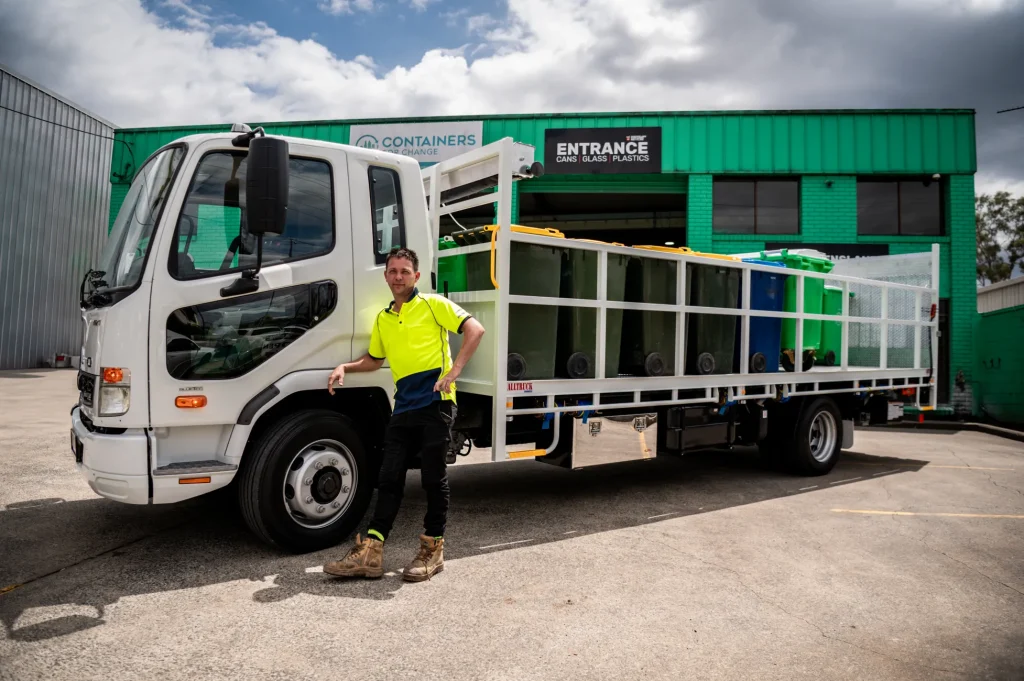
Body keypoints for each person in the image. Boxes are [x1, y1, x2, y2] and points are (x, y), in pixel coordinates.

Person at [323, 246, 485, 582]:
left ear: (416, 276)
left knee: (432, 478)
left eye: (405, 272)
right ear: (385, 276)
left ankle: (433, 548)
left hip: (437, 404)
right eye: (393, 271)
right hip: (404, 407)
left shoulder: (433, 304)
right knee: (389, 478)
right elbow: (375, 360)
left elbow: (475, 330)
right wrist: (345, 367)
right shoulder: (384, 318)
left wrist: (455, 371)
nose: (398, 277)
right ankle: (371, 551)